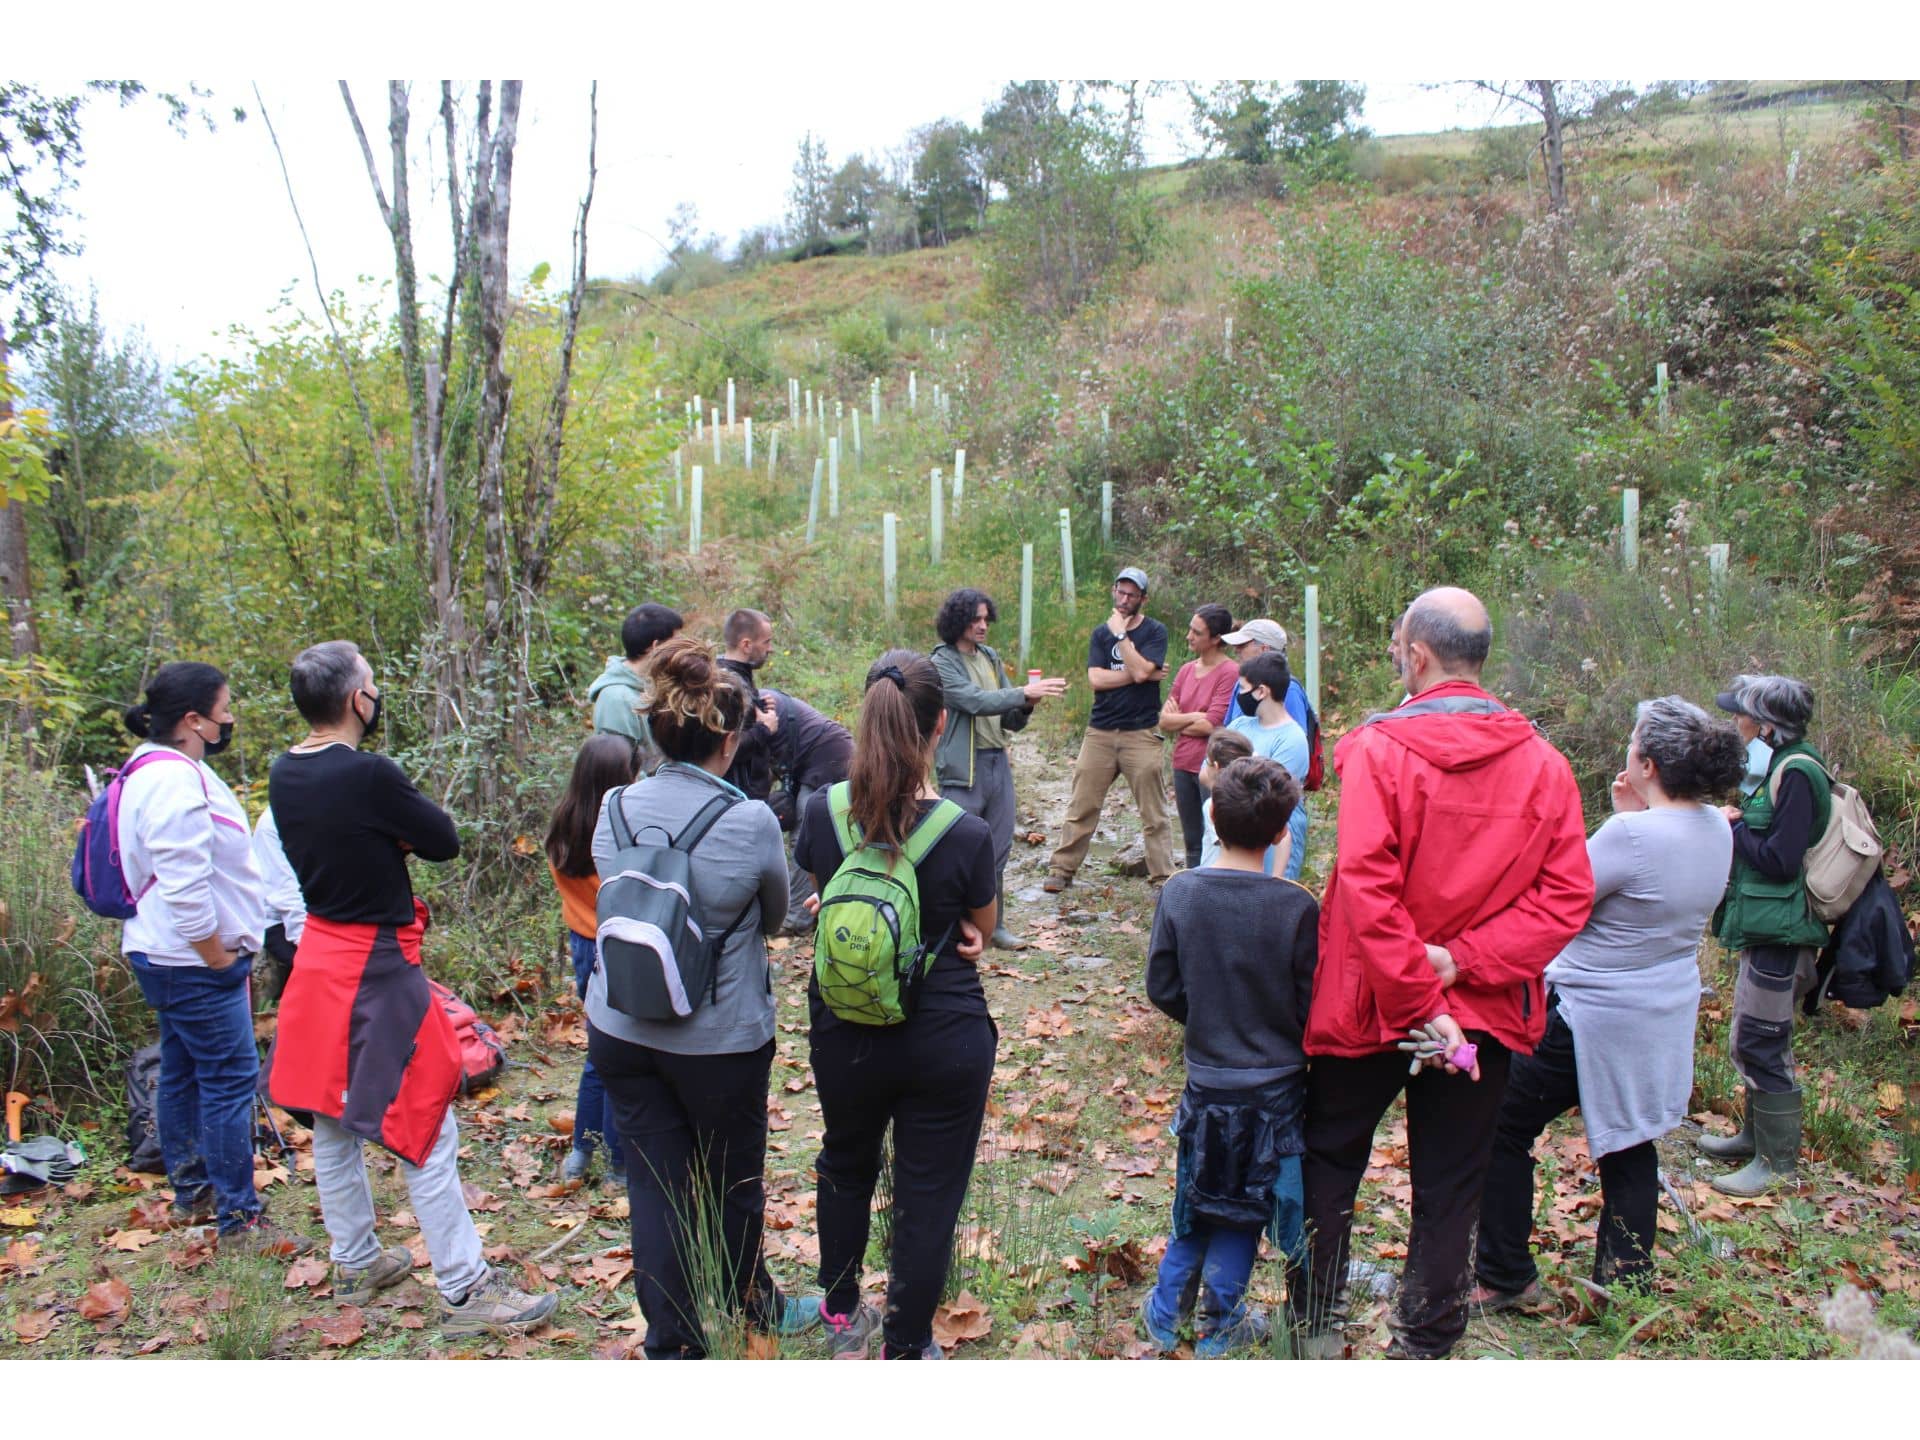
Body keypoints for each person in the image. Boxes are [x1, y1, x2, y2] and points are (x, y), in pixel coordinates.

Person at [1286, 588, 1594, 1360]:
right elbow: (1565, 897)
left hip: (1372, 1001)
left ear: (1414, 654)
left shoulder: (1381, 751)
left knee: (1331, 1154)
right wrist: (1464, 971)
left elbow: (1364, 884)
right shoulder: (1545, 765)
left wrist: (1433, 985)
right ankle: (1425, 1342)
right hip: (1477, 1018)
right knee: (1453, 1179)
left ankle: (1315, 1323)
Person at [266, 640, 554, 1332]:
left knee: (331, 1118)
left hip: (318, 959)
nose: (376, 692)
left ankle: (357, 1259)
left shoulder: (282, 772)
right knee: (426, 1119)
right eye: (370, 682)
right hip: (376, 965)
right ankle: (465, 1288)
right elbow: (443, 839)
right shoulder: (368, 775)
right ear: (354, 699)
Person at [1474, 698, 1745, 1307]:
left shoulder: (1631, 834)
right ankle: (1624, 1285)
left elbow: (1563, 895)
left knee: (1501, 1125)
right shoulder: (1714, 827)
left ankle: (1504, 1275)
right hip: (1662, 1006)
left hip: (1591, 1013)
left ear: (1646, 763)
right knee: (1631, 1139)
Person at [586, 637, 812, 1358]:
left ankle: (673, 1345)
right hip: (718, 1037)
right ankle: (755, 1305)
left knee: (655, 1185)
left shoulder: (614, 809)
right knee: (731, 1180)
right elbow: (776, 916)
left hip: (619, 1025)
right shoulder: (747, 821)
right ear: (728, 741)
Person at [794, 650, 999, 1359]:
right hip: (943, 1032)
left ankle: (842, 1310)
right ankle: (906, 1345)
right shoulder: (966, 832)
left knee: (845, 1160)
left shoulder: (821, 813)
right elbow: (985, 926)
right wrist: (967, 930)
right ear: (939, 725)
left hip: (845, 1024)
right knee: (929, 1191)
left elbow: (830, 891)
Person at [116, 662, 303, 1253]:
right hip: (191, 960)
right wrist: (218, 956)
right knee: (227, 1080)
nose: (230, 720)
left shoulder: (147, 770)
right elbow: (185, 885)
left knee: (183, 1070)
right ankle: (238, 1218)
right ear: (193, 720)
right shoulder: (174, 782)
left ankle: (193, 1190)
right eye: (224, 710)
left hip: (164, 953)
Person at [1141, 757, 1318, 1357]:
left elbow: (1162, 986)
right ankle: (1219, 1322)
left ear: (1211, 814)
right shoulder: (1296, 907)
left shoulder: (1181, 893)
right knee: (1244, 1202)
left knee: (1197, 1191)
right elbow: (1310, 1002)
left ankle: (1166, 1314)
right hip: (1274, 1087)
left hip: (1207, 1077)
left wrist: (1209, 1017)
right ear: (1279, 833)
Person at [1699, 674, 1831, 1196]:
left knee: (1763, 1037)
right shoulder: (1782, 764)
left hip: (1782, 930)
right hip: (1768, 925)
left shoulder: (1796, 772)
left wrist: (1731, 829)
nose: (1737, 721)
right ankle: (1755, 1139)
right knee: (1752, 1030)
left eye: (1744, 714)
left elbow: (1780, 859)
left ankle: (1776, 1163)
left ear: (1768, 725)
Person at [932, 587, 1067, 948]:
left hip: (996, 763)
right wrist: (1021, 693)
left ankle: (995, 925)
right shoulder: (942, 661)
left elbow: (1009, 717)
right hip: (964, 768)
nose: (982, 626)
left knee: (997, 848)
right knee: (956, 848)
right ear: (957, 621)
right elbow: (973, 701)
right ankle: (950, 924)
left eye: (985, 619)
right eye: (974, 620)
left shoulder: (990, 658)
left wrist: (1027, 704)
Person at [545, 734, 640, 1187]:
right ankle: (619, 1163)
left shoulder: (563, 825)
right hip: (613, 945)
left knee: (597, 1052)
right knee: (622, 1052)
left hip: (581, 944)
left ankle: (581, 1153)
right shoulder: (615, 835)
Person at [1044, 567, 1173, 893]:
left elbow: (1145, 670)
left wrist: (1123, 639)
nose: (1124, 599)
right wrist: (1140, 672)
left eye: (1132, 594)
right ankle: (1061, 870)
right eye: (1120, 592)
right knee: (1082, 805)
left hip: (1142, 733)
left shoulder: (1155, 632)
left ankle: (1163, 879)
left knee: (1154, 812)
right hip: (1099, 732)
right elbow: (1097, 680)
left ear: (1144, 598)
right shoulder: (1100, 633)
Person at [761, 687, 853, 936]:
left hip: (831, 757)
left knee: (803, 834)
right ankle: (814, 902)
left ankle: (797, 918)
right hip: (806, 764)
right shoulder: (757, 709)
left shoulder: (760, 712)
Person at [1160, 604, 1240, 871]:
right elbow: (1163, 720)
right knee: (1192, 839)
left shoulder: (1229, 672)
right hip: (1182, 763)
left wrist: (1182, 719)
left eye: (1197, 632)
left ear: (1216, 638)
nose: (1188, 636)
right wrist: (1195, 716)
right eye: (1190, 629)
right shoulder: (1185, 670)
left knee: (1217, 836)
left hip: (1212, 766)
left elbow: (1211, 725)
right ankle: (1192, 891)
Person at [1225, 652, 1310, 881]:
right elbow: (1209, 772)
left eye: (1242, 688)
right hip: (1239, 833)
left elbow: (1271, 795)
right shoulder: (1240, 724)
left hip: (1276, 839)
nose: (1239, 695)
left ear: (1261, 691)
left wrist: (1230, 777)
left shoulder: (1292, 738)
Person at [589, 602, 683, 773]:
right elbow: (619, 771)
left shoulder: (655, 685)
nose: (680, 651)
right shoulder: (616, 699)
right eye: (676, 644)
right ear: (655, 647)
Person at [717, 608, 781, 801]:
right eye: (766, 642)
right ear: (746, 645)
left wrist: (758, 706)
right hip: (739, 795)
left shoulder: (735, 675)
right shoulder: (728, 685)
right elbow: (724, 748)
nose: (770, 649)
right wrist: (764, 728)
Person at [252, 803, 306, 1006]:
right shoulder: (274, 823)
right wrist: (308, 947)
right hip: (278, 923)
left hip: (319, 915)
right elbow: (285, 895)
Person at [1222, 617, 1312, 734]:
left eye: (1242, 645)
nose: (1236, 650)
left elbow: (1297, 740)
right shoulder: (1241, 685)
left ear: (1264, 649)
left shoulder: (1289, 689)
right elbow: (1228, 730)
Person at [1195, 728, 1255, 871]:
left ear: (1215, 766)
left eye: (1207, 762)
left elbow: (1224, 844)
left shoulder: (1213, 804)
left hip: (1213, 876)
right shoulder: (1253, 798)